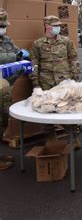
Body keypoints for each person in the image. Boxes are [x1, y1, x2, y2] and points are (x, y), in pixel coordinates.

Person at [30, 15, 81, 146]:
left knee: (69, 109)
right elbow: (34, 64)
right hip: (46, 82)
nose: (58, 28)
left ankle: (73, 138)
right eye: (55, 26)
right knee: (47, 111)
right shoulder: (38, 44)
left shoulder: (66, 42)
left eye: (59, 25)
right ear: (47, 26)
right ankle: (51, 139)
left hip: (65, 81)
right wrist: (35, 83)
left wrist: (76, 77)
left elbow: (73, 59)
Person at [0, 9, 22, 170]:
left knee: (3, 120)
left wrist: (21, 56)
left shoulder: (6, 40)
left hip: (4, 88)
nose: (3, 28)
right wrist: (16, 58)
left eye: (3, 25)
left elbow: (17, 51)